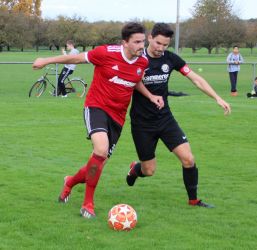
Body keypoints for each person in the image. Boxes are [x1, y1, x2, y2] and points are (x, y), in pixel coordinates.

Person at [33, 22, 164, 219]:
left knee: (97, 164)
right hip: (96, 107)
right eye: (137, 42)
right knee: (100, 150)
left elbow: (135, 80)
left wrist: (150, 96)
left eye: (142, 41)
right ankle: (88, 204)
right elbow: (76, 58)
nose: (141, 45)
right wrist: (46, 60)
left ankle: (70, 181)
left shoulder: (142, 62)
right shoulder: (105, 53)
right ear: (124, 42)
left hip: (118, 116)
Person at [126, 23, 231, 208]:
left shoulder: (170, 59)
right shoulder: (137, 58)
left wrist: (217, 98)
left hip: (165, 119)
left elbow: (195, 78)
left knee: (188, 159)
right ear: (150, 38)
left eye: (165, 45)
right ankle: (135, 170)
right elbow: (132, 83)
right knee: (149, 171)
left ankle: (194, 200)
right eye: (158, 43)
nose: (161, 48)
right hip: (142, 123)